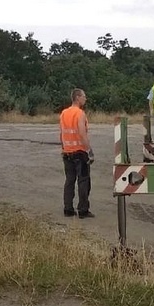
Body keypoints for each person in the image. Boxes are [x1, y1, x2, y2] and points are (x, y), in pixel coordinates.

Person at [59, 88, 94, 219]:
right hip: (80, 152)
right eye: (84, 96)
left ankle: (68, 209)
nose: (85, 98)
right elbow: (82, 133)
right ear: (78, 97)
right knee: (83, 181)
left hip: (67, 152)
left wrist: (64, 147)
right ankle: (83, 210)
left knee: (69, 181)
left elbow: (61, 133)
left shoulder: (63, 113)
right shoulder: (80, 114)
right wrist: (89, 151)